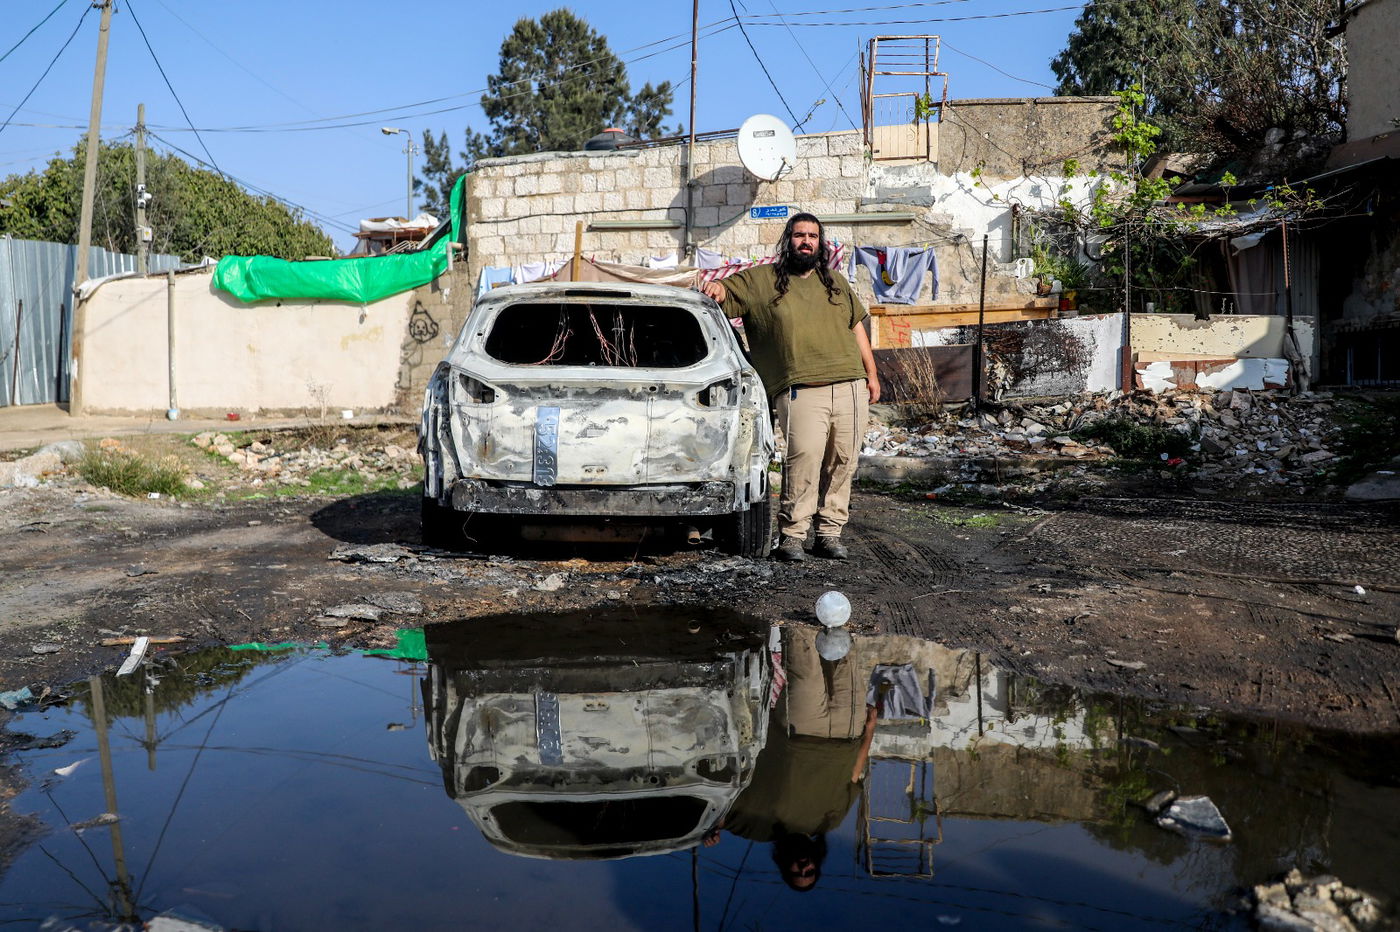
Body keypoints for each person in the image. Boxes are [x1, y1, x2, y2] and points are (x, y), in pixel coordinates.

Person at [701, 214, 880, 562]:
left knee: (843, 462)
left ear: (820, 242)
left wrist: (871, 376)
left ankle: (828, 534)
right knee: (804, 460)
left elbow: (857, 327)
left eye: (813, 236)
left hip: (850, 385)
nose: (806, 242)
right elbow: (727, 291)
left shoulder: (835, 282)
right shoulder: (763, 279)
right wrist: (717, 289)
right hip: (800, 389)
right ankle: (793, 536)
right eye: (799, 235)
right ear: (789, 241)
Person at [701, 626, 878, 891]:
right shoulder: (830, 821)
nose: (804, 866)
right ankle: (838, 598)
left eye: (798, 872)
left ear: (784, 866)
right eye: (810, 871)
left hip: (801, 730)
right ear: (817, 863)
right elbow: (855, 774)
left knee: (805, 664)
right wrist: (870, 731)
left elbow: (716, 814)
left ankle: (800, 603)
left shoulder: (757, 828)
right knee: (844, 653)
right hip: (848, 730)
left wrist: (710, 834)